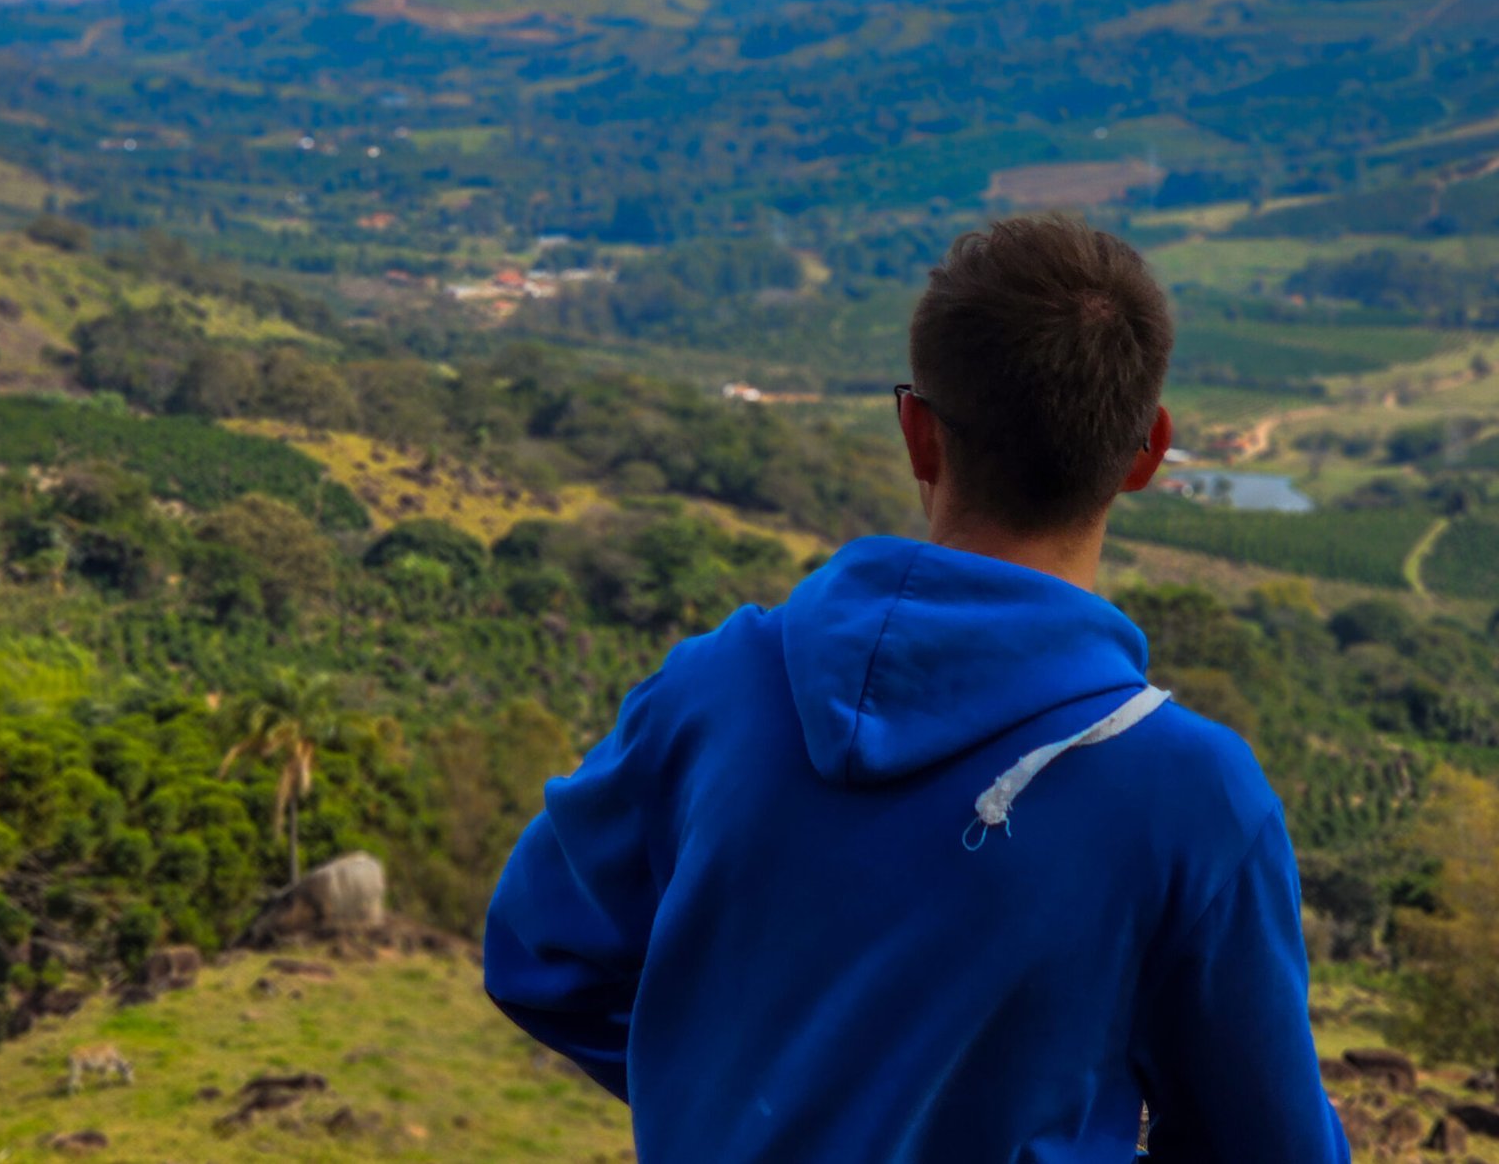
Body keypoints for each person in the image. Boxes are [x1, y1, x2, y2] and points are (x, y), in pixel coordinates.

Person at [483, 214, 1350, 1163]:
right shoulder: (1194, 796)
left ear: (918, 433)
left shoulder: (714, 687)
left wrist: (729, 1104)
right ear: (1147, 452)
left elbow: (537, 952)